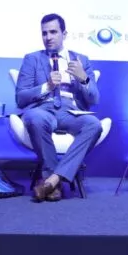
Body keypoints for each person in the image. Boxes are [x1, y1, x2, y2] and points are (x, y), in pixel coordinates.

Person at [16, 13, 103, 202]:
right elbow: (20, 98)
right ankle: (53, 184)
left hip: (71, 111)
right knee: (34, 118)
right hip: (43, 109)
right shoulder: (32, 59)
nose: (48, 37)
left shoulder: (81, 60)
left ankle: (51, 181)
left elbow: (94, 98)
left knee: (94, 124)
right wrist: (47, 86)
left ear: (64, 34)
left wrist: (83, 78)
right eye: (44, 33)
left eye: (53, 32)